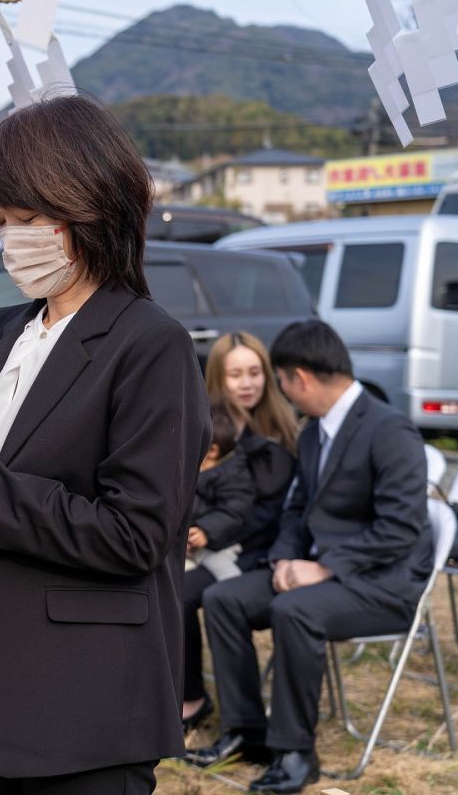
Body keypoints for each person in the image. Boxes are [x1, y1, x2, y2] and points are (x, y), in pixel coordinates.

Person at [0, 94, 210, 794]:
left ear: (89, 204)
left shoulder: (150, 344)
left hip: (81, 701)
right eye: (0, 222)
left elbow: (134, 534)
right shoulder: (0, 333)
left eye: (27, 220)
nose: (11, 239)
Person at [189, 320, 432, 794]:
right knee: (223, 599)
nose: (283, 394)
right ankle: (247, 733)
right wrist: (283, 560)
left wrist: (323, 567)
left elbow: (400, 529)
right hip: (320, 574)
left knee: (292, 610)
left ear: (299, 377)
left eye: (279, 381)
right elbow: (298, 508)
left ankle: (296, 753)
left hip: (380, 583)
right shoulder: (318, 430)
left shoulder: (389, 429)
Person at [182, 332, 298, 731]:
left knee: (180, 595)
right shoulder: (207, 427)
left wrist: (208, 533)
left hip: (254, 551)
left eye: (254, 373)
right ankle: (179, 693)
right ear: (217, 378)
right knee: (158, 585)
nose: (246, 383)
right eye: (235, 375)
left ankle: (193, 701)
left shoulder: (281, 433)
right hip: (211, 543)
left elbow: (273, 512)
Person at [186, 399, 256, 584]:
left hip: (219, 545)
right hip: (187, 543)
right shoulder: (190, 469)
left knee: (226, 574)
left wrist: (206, 530)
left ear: (213, 451)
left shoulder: (233, 474)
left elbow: (234, 511)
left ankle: (237, 596)